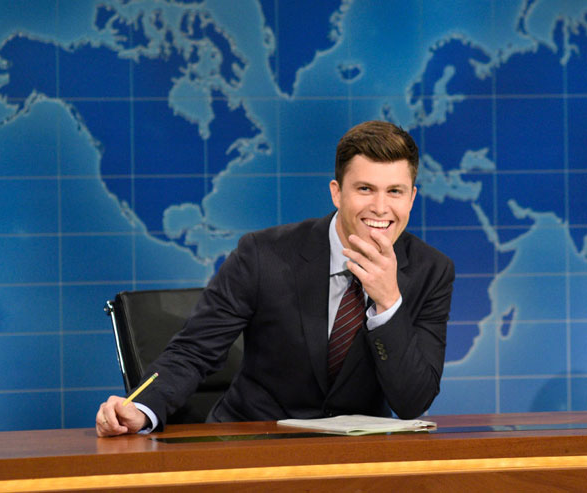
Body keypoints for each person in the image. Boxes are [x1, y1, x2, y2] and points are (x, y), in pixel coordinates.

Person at [96, 120, 455, 437]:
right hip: (252, 447)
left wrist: (388, 304)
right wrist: (140, 410)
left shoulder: (431, 271)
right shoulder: (263, 255)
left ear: (411, 198)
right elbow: (194, 350)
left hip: (355, 464)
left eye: (395, 191)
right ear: (336, 192)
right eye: (365, 189)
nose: (380, 207)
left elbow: (413, 402)